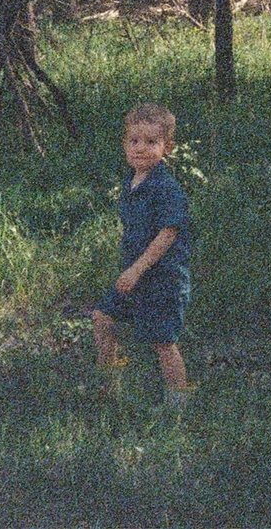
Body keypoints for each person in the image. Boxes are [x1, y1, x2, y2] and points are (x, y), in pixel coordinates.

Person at [90, 102, 194, 407]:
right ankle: (110, 389)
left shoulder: (165, 188)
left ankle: (178, 406)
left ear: (167, 147)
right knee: (102, 318)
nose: (141, 148)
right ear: (125, 144)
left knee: (163, 342)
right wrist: (131, 271)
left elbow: (168, 233)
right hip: (133, 275)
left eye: (151, 142)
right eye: (134, 141)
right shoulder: (133, 181)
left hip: (162, 278)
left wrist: (137, 270)